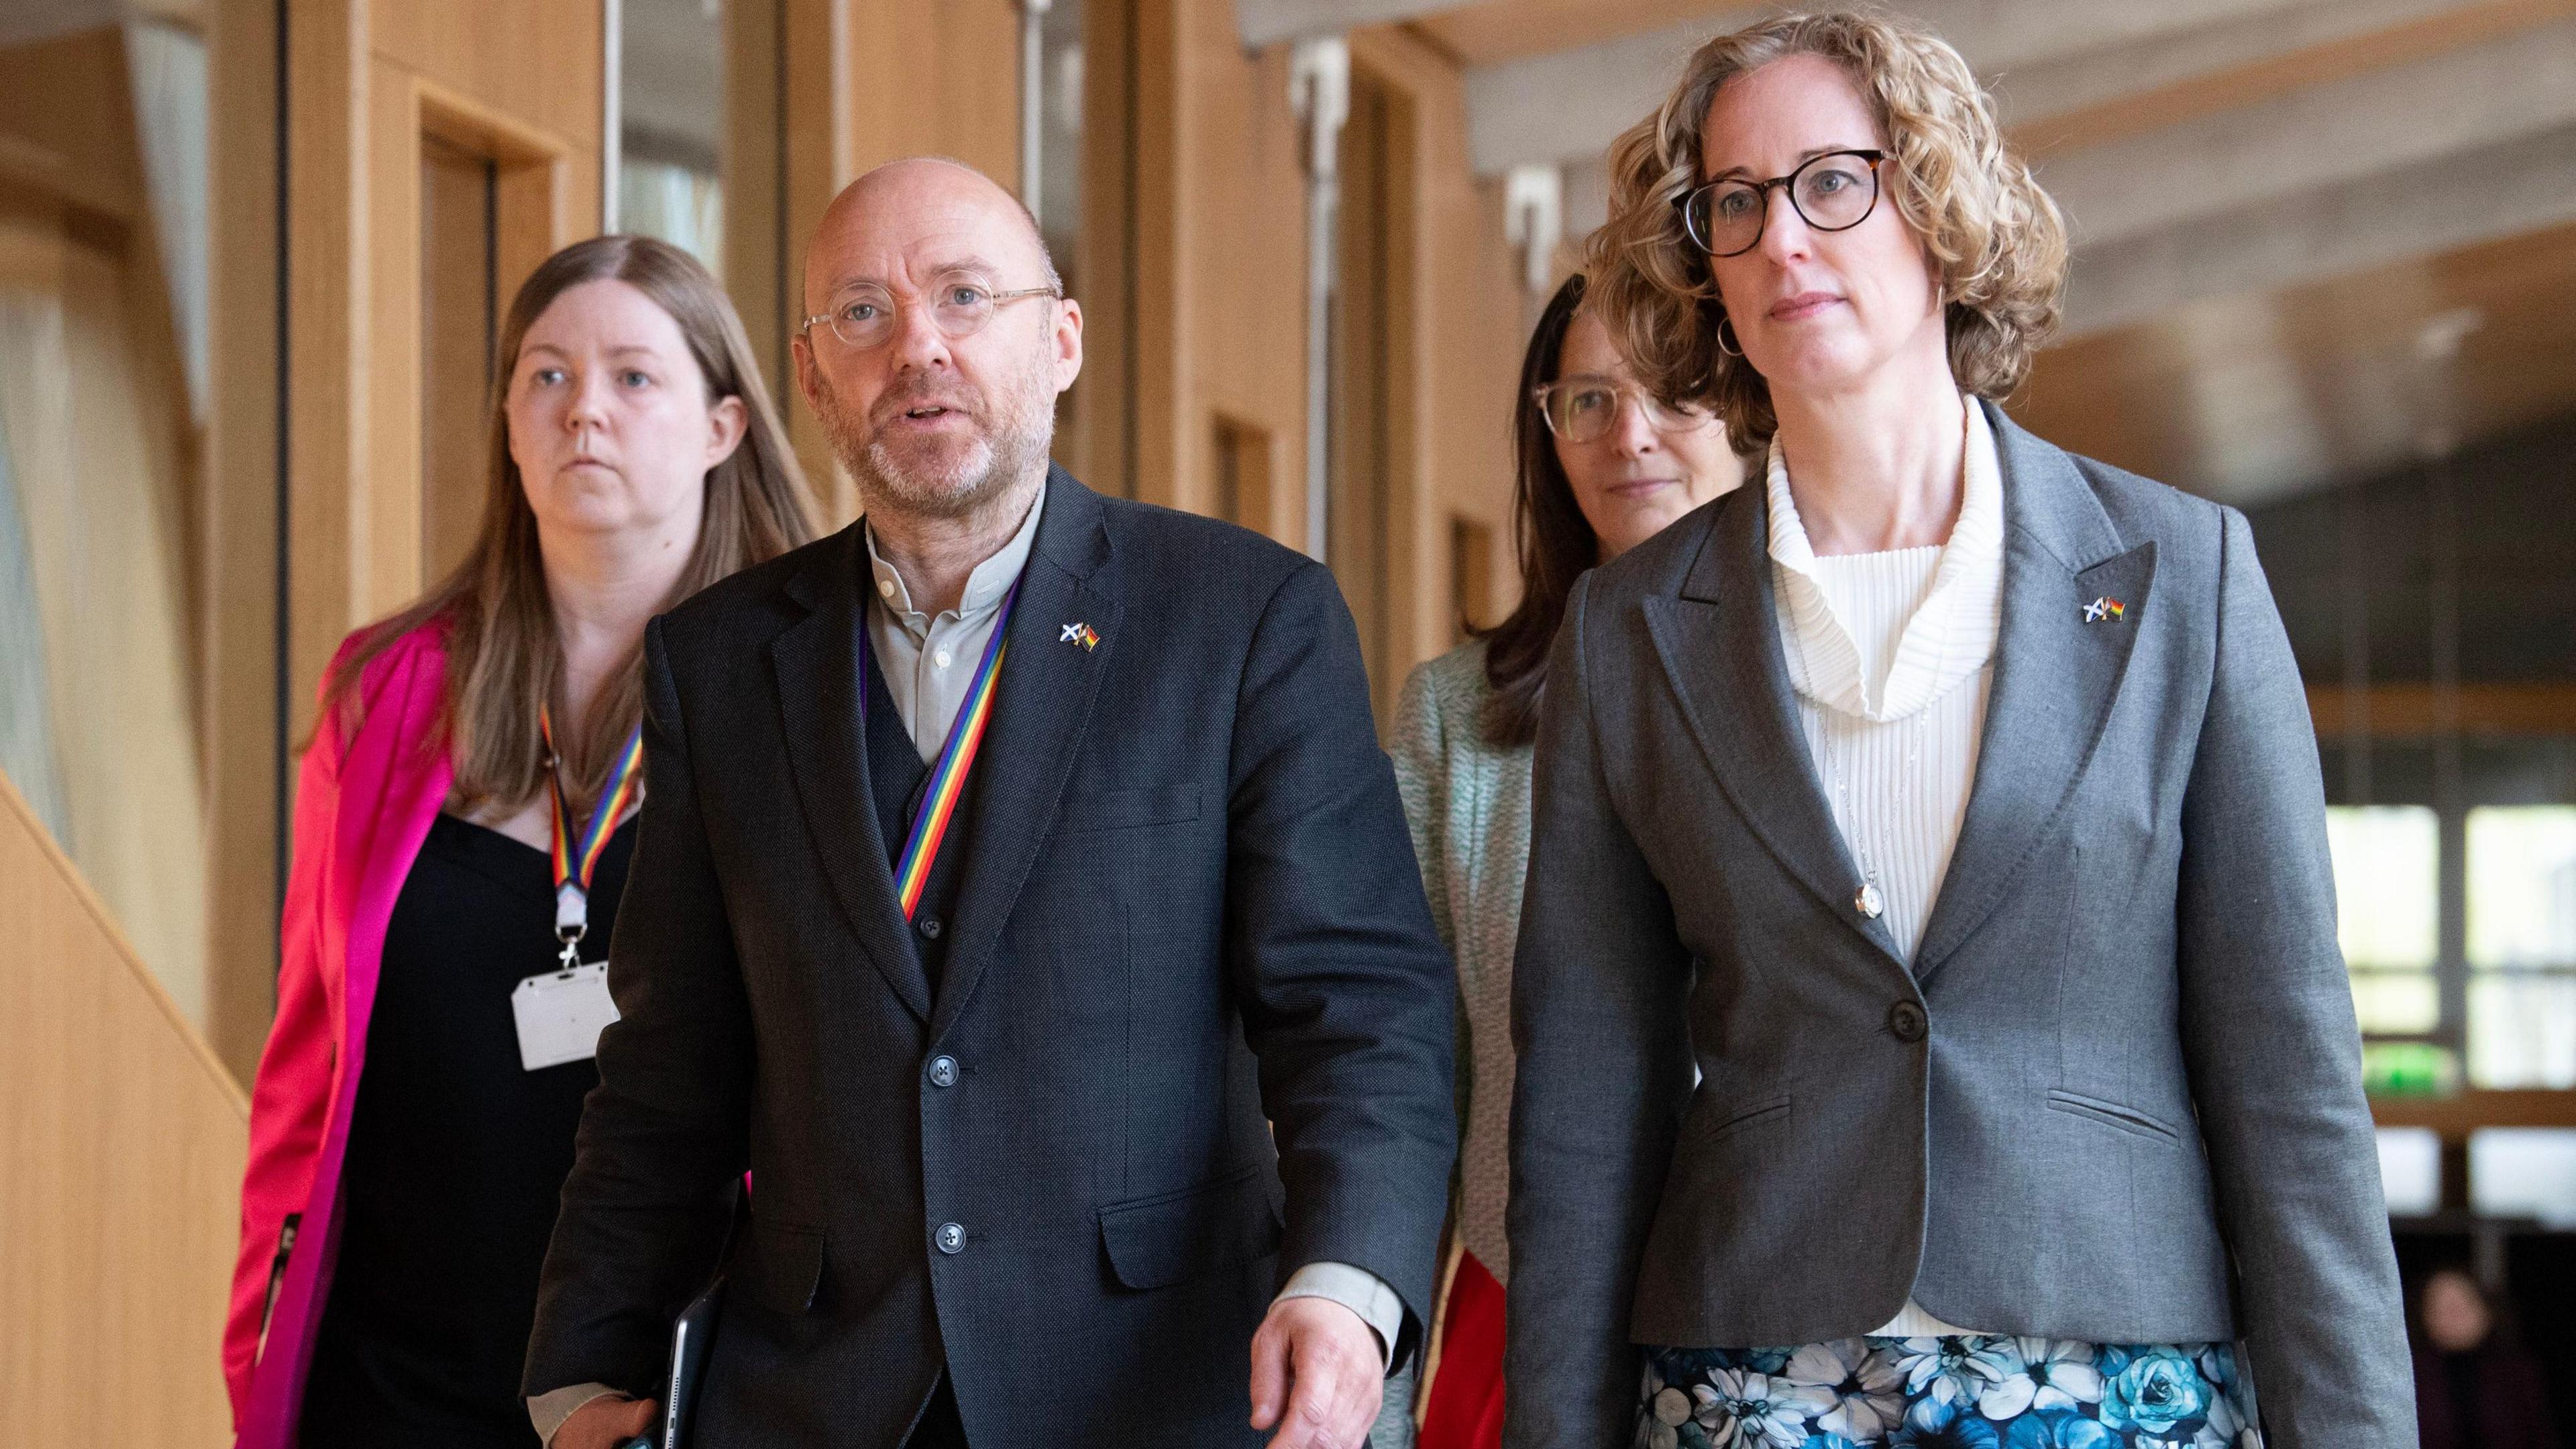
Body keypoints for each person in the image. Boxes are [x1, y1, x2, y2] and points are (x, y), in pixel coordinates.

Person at [1505, 12, 2412, 1449]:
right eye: (1734, 204)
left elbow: (2288, 1075)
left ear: (1935, 206)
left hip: (2116, 1376)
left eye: (1833, 182)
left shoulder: (2185, 578)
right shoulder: (1633, 630)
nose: (1784, 239)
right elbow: (1583, 1107)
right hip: (1756, 1377)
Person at [529, 157, 1456, 1449]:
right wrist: (580, 1372)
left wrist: (1348, 1289)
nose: (917, 347)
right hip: (810, 1395)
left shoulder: (1245, 620)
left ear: (1061, 340)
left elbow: (1362, 1010)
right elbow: (666, 1068)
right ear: (810, 374)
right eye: (861, 312)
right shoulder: (720, 663)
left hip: (1159, 1386)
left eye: (965, 297)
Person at [222, 235, 817, 1449]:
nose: (583, 409)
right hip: (389, 1375)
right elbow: (304, 1061)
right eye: (546, 375)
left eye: (633, 376)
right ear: (505, 419)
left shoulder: (807, 695)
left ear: (724, 425)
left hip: (668, 1385)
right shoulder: (386, 687)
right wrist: (258, 1346)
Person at [1388, 272, 1739, 1449]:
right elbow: (1406, 1081)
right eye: (1586, 399)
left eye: (1671, 394)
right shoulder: (1454, 717)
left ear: (1746, 406)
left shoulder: (1835, 697)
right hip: (1524, 1308)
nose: (1626, 435)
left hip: (1779, 1324)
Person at [2414, 1267, 2561, 1449]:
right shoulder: (2414, 1377)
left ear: (2485, 1310)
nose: (2454, 1315)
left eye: (2462, 1304)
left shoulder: (2518, 1373)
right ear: (2425, 1317)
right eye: (2441, 1307)